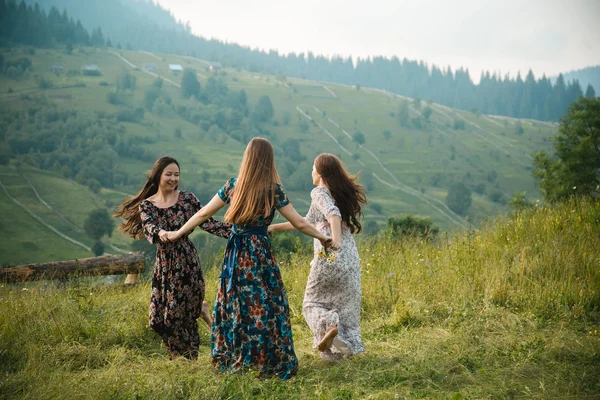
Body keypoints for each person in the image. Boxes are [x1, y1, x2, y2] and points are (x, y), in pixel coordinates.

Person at [165, 137, 334, 379]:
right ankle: (266, 359)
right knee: (264, 304)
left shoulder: (233, 186)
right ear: (268, 160)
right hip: (260, 254)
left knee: (236, 304)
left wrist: (179, 232)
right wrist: (323, 237)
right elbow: (299, 222)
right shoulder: (273, 190)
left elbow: (203, 213)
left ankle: (237, 356)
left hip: (236, 254)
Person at [114, 156, 231, 360]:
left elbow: (208, 222)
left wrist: (240, 231)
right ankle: (191, 331)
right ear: (158, 175)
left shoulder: (187, 199)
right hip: (165, 265)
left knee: (181, 316)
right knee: (159, 320)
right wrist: (160, 233)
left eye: (176, 175)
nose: (173, 178)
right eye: (169, 174)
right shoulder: (147, 205)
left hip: (186, 261)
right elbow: (149, 226)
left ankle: (185, 361)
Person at [269, 153, 367, 362]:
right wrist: (275, 227)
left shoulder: (319, 192)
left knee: (310, 304)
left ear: (320, 173)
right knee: (344, 308)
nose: (311, 171)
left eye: (313, 168)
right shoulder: (338, 194)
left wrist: (335, 241)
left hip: (329, 256)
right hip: (350, 261)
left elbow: (333, 214)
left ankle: (328, 326)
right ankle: (340, 350)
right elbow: (305, 221)